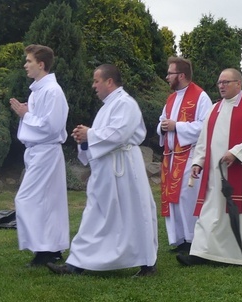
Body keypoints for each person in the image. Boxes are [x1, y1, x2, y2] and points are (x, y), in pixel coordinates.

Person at [47, 64, 158, 277]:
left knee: (134, 212)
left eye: (96, 81)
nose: (93, 85)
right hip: (106, 170)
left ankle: (146, 263)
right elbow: (104, 134)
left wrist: (91, 135)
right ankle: (76, 263)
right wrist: (85, 139)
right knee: (95, 213)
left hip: (124, 169)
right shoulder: (108, 105)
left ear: (109, 81)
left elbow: (119, 133)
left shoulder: (125, 103)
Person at [176, 68, 242, 266]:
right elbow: (204, 138)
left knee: (241, 213)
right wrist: (198, 161)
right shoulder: (215, 109)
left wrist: (236, 152)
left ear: (238, 84)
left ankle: (239, 255)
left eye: (226, 82)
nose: (221, 86)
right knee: (210, 211)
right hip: (216, 174)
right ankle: (201, 253)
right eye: (220, 83)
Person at [9, 44, 69, 266]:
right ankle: (47, 251)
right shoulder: (37, 90)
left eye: (29, 61)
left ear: (41, 64)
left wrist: (26, 115)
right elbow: (41, 120)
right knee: (45, 202)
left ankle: (46, 249)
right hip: (36, 152)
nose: (25, 65)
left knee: (28, 199)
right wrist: (28, 113)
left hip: (46, 151)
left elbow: (53, 126)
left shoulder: (52, 91)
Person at [157, 57, 212, 253]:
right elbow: (163, 120)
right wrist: (163, 127)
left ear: (181, 75)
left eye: (170, 73)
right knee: (171, 198)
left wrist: (176, 126)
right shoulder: (171, 98)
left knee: (186, 197)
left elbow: (205, 126)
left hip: (189, 156)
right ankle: (178, 239)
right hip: (171, 156)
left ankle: (191, 239)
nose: (167, 77)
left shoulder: (200, 96)